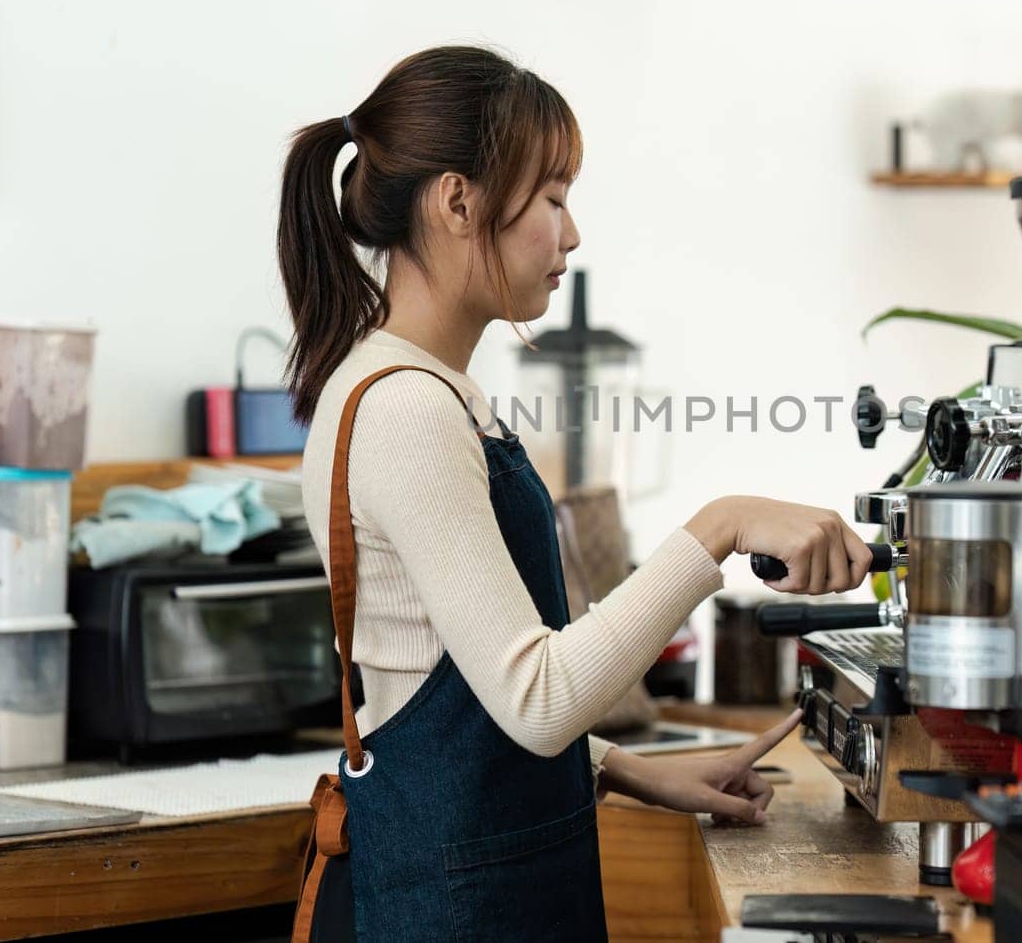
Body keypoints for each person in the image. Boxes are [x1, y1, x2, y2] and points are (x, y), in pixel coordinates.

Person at [279, 46, 872, 940]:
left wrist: (631, 769)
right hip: (460, 908)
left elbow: (453, 686)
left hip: (495, 877)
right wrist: (722, 526)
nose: (572, 232)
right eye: (552, 196)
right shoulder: (405, 406)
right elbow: (537, 695)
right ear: (457, 201)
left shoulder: (427, 387)